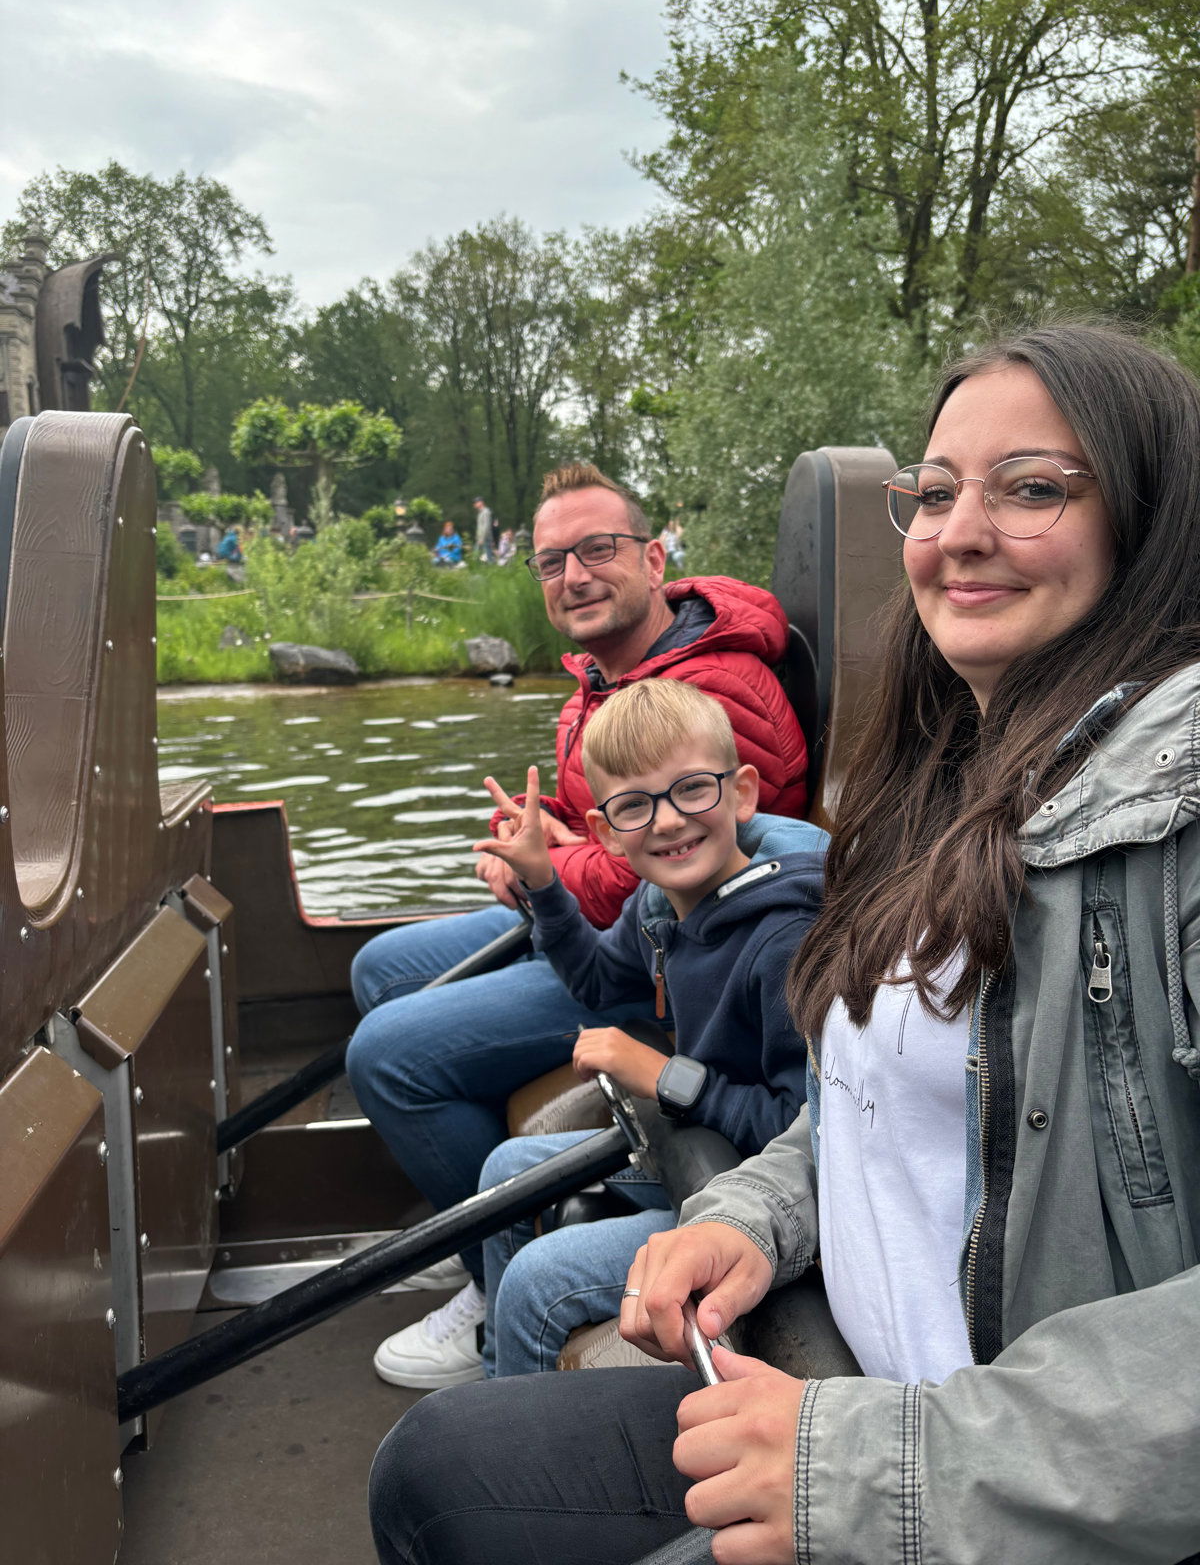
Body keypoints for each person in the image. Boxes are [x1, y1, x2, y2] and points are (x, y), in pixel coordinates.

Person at [367, 324, 1200, 1565]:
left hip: (983, 1472)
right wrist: (754, 1216)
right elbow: (876, 1103)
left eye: (1033, 488)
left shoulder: (1175, 798)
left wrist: (868, 1466)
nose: (958, 531)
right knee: (428, 1469)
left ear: (1152, 519)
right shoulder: (941, 784)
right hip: (842, 1381)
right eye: (934, 491)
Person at [345, 460, 808, 1375]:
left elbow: (696, 860)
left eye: (599, 550)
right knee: (380, 967)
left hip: (694, 1016)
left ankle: (495, 1287)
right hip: (639, 938)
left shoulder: (717, 703)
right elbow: (633, 882)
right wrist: (546, 867)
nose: (576, 575)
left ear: (654, 557)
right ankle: (489, 1264)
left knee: (389, 1053)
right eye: (553, 560)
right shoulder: (603, 685)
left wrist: (560, 864)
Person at [372, 680, 825, 1389]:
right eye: (637, 805)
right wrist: (543, 886)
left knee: (535, 1283)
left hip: (761, 1190)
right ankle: (498, 1378)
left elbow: (804, 1129)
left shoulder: (783, 941)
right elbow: (594, 981)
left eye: (692, 791)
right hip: (698, 1150)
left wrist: (659, 1075)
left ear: (741, 793)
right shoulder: (660, 901)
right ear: (607, 831)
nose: (670, 822)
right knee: (504, 1175)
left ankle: (516, 1438)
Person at [473, 497, 495, 563]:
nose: (474, 504)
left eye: (476, 502)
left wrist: (482, 538)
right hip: (480, 538)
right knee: (476, 555)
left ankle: (492, 569)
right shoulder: (480, 513)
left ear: (481, 502)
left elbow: (486, 526)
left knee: (488, 556)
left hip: (485, 538)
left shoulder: (486, 512)